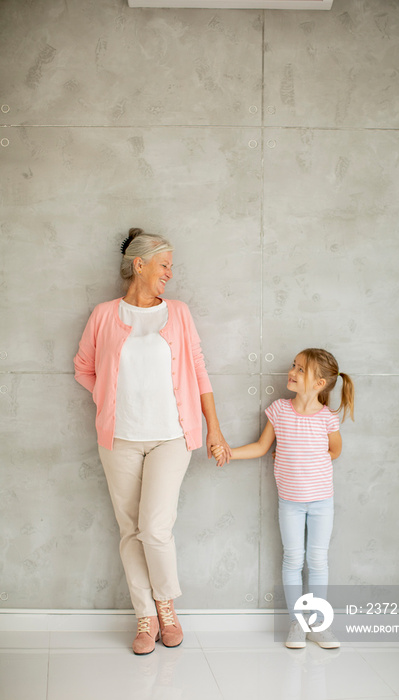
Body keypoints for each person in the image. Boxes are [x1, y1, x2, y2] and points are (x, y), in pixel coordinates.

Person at [74, 227, 231, 655]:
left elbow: (198, 371)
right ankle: (143, 618)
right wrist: (108, 398)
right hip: (119, 437)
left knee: (154, 529)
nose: (170, 273)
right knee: (130, 531)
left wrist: (213, 428)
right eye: (164, 265)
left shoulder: (177, 313)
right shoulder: (104, 315)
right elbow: (83, 367)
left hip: (171, 437)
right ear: (138, 264)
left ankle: (166, 607)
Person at [213, 348, 354, 650]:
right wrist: (230, 452)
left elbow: (334, 452)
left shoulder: (327, 418)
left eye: (301, 369)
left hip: (321, 503)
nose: (292, 371)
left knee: (317, 561)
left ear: (319, 383)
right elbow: (263, 447)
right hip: (289, 502)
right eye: (294, 365)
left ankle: (318, 623)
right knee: (293, 559)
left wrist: (304, 458)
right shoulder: (279, 409)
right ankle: (297, 623)